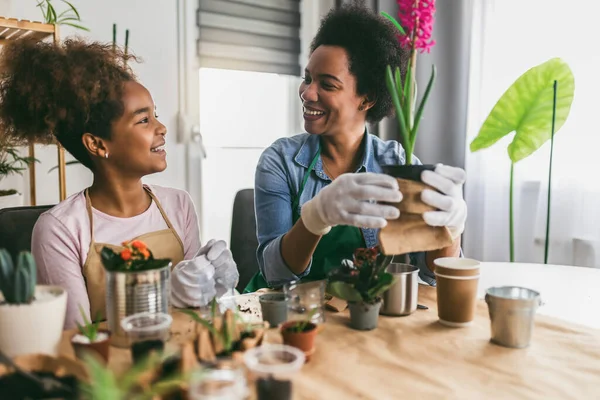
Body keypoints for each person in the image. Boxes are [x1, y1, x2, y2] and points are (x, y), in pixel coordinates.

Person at [0, 38, 238, 329]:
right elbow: (80, 339)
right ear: (98, 144)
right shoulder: (60, 229)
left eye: (155, 115)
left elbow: (197, 314)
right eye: (143, 120)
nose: (161, 128)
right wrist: (169, 292)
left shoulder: (179, 205)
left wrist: (214, 285)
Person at [244, 4, 467, 292]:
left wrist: (451, 228)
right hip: (297, 316)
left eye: (328, 84)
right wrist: (314, 218)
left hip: (370, 316)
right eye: (308, 78)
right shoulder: (281, 161)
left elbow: (432, 274)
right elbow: (275, 274)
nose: (307, 93)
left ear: (367, 98)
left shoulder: (397, 163)